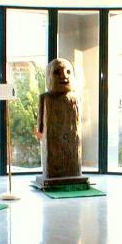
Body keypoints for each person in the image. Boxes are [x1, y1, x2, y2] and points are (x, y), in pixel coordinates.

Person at [35, 58, 87, 186]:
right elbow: (40, 124)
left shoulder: (76, 98)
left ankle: (73, 172)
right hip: (53, 142)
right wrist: (40, 131)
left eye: (68, 72)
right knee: (54, 159)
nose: (64, 76)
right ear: (49, 76)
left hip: (72, 141)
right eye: (57, 72)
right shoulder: (45, 98)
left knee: (72, 161)